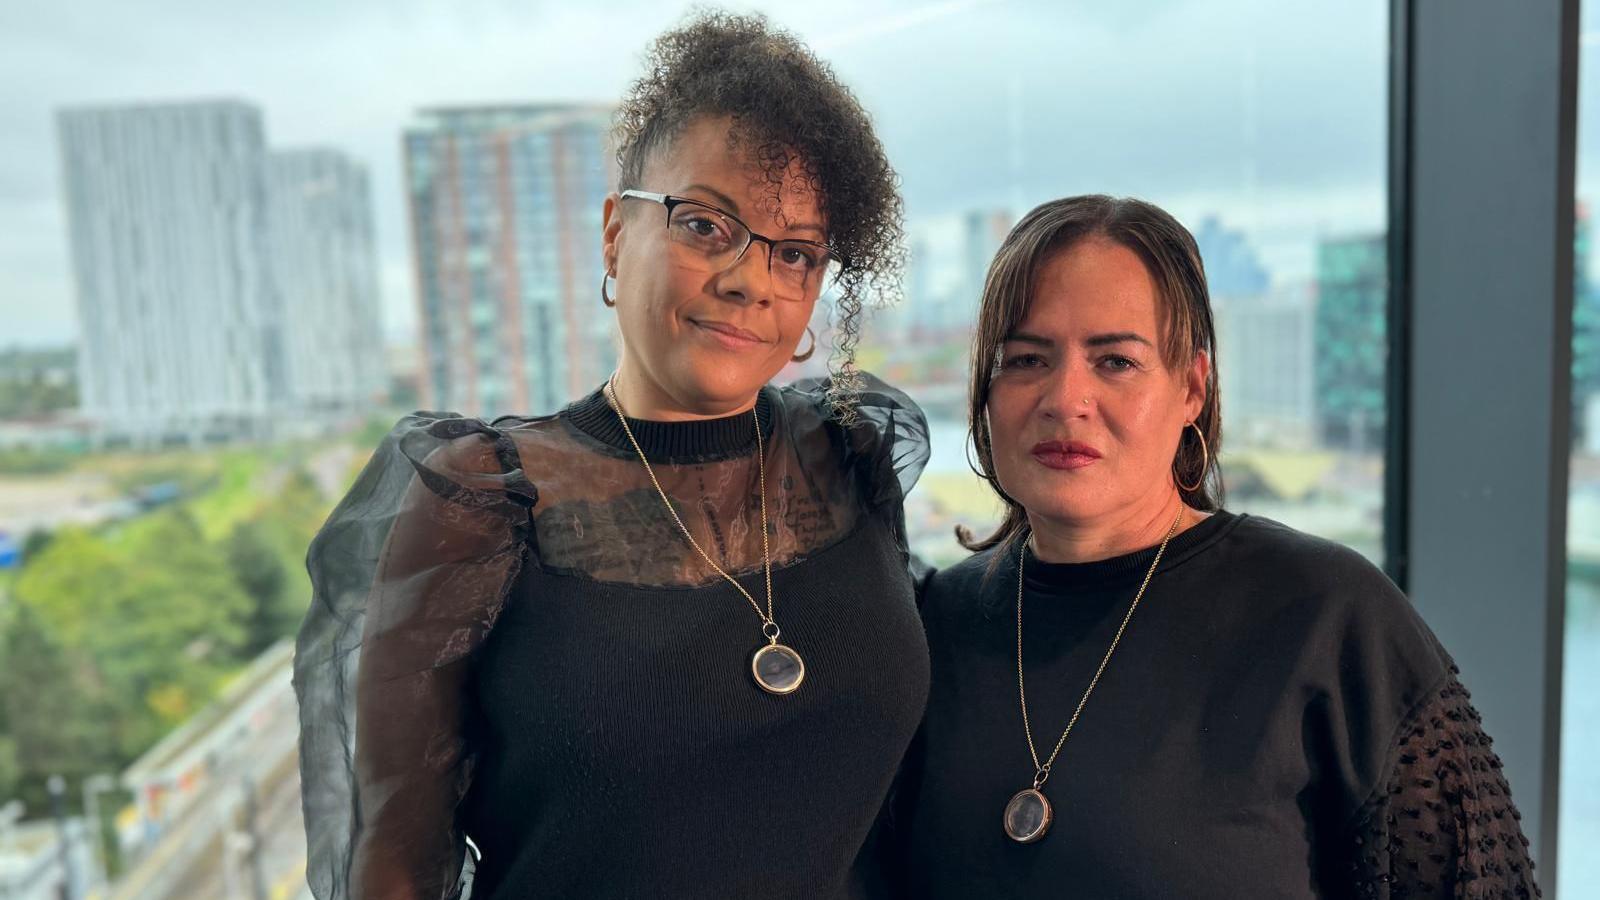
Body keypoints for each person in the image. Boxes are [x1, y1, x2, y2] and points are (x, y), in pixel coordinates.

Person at [293, 13, 931, 899]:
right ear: (612, 235)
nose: (750, 279)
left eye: (795, 253)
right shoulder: (481, 502)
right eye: (706, 226)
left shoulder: (848, 460)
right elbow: (395, 865)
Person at [898, 195, 1539, 898]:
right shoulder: (934, 624)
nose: (1064, 398)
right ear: (985, 392)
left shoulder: (1329, 616)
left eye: (1114, 360)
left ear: (1192, 389)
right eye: (1025, 359)